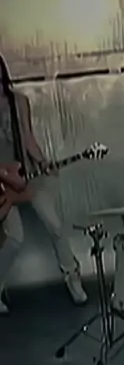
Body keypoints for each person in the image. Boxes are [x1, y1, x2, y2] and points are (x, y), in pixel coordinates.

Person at [0, 73, 87, 314]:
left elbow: (28, 137)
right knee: (14, 239)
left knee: (55, 225)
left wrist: (41, 161)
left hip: (27, 175)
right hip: (3, 183)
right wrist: (6, 176)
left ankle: (72, 277)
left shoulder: (19, 101)